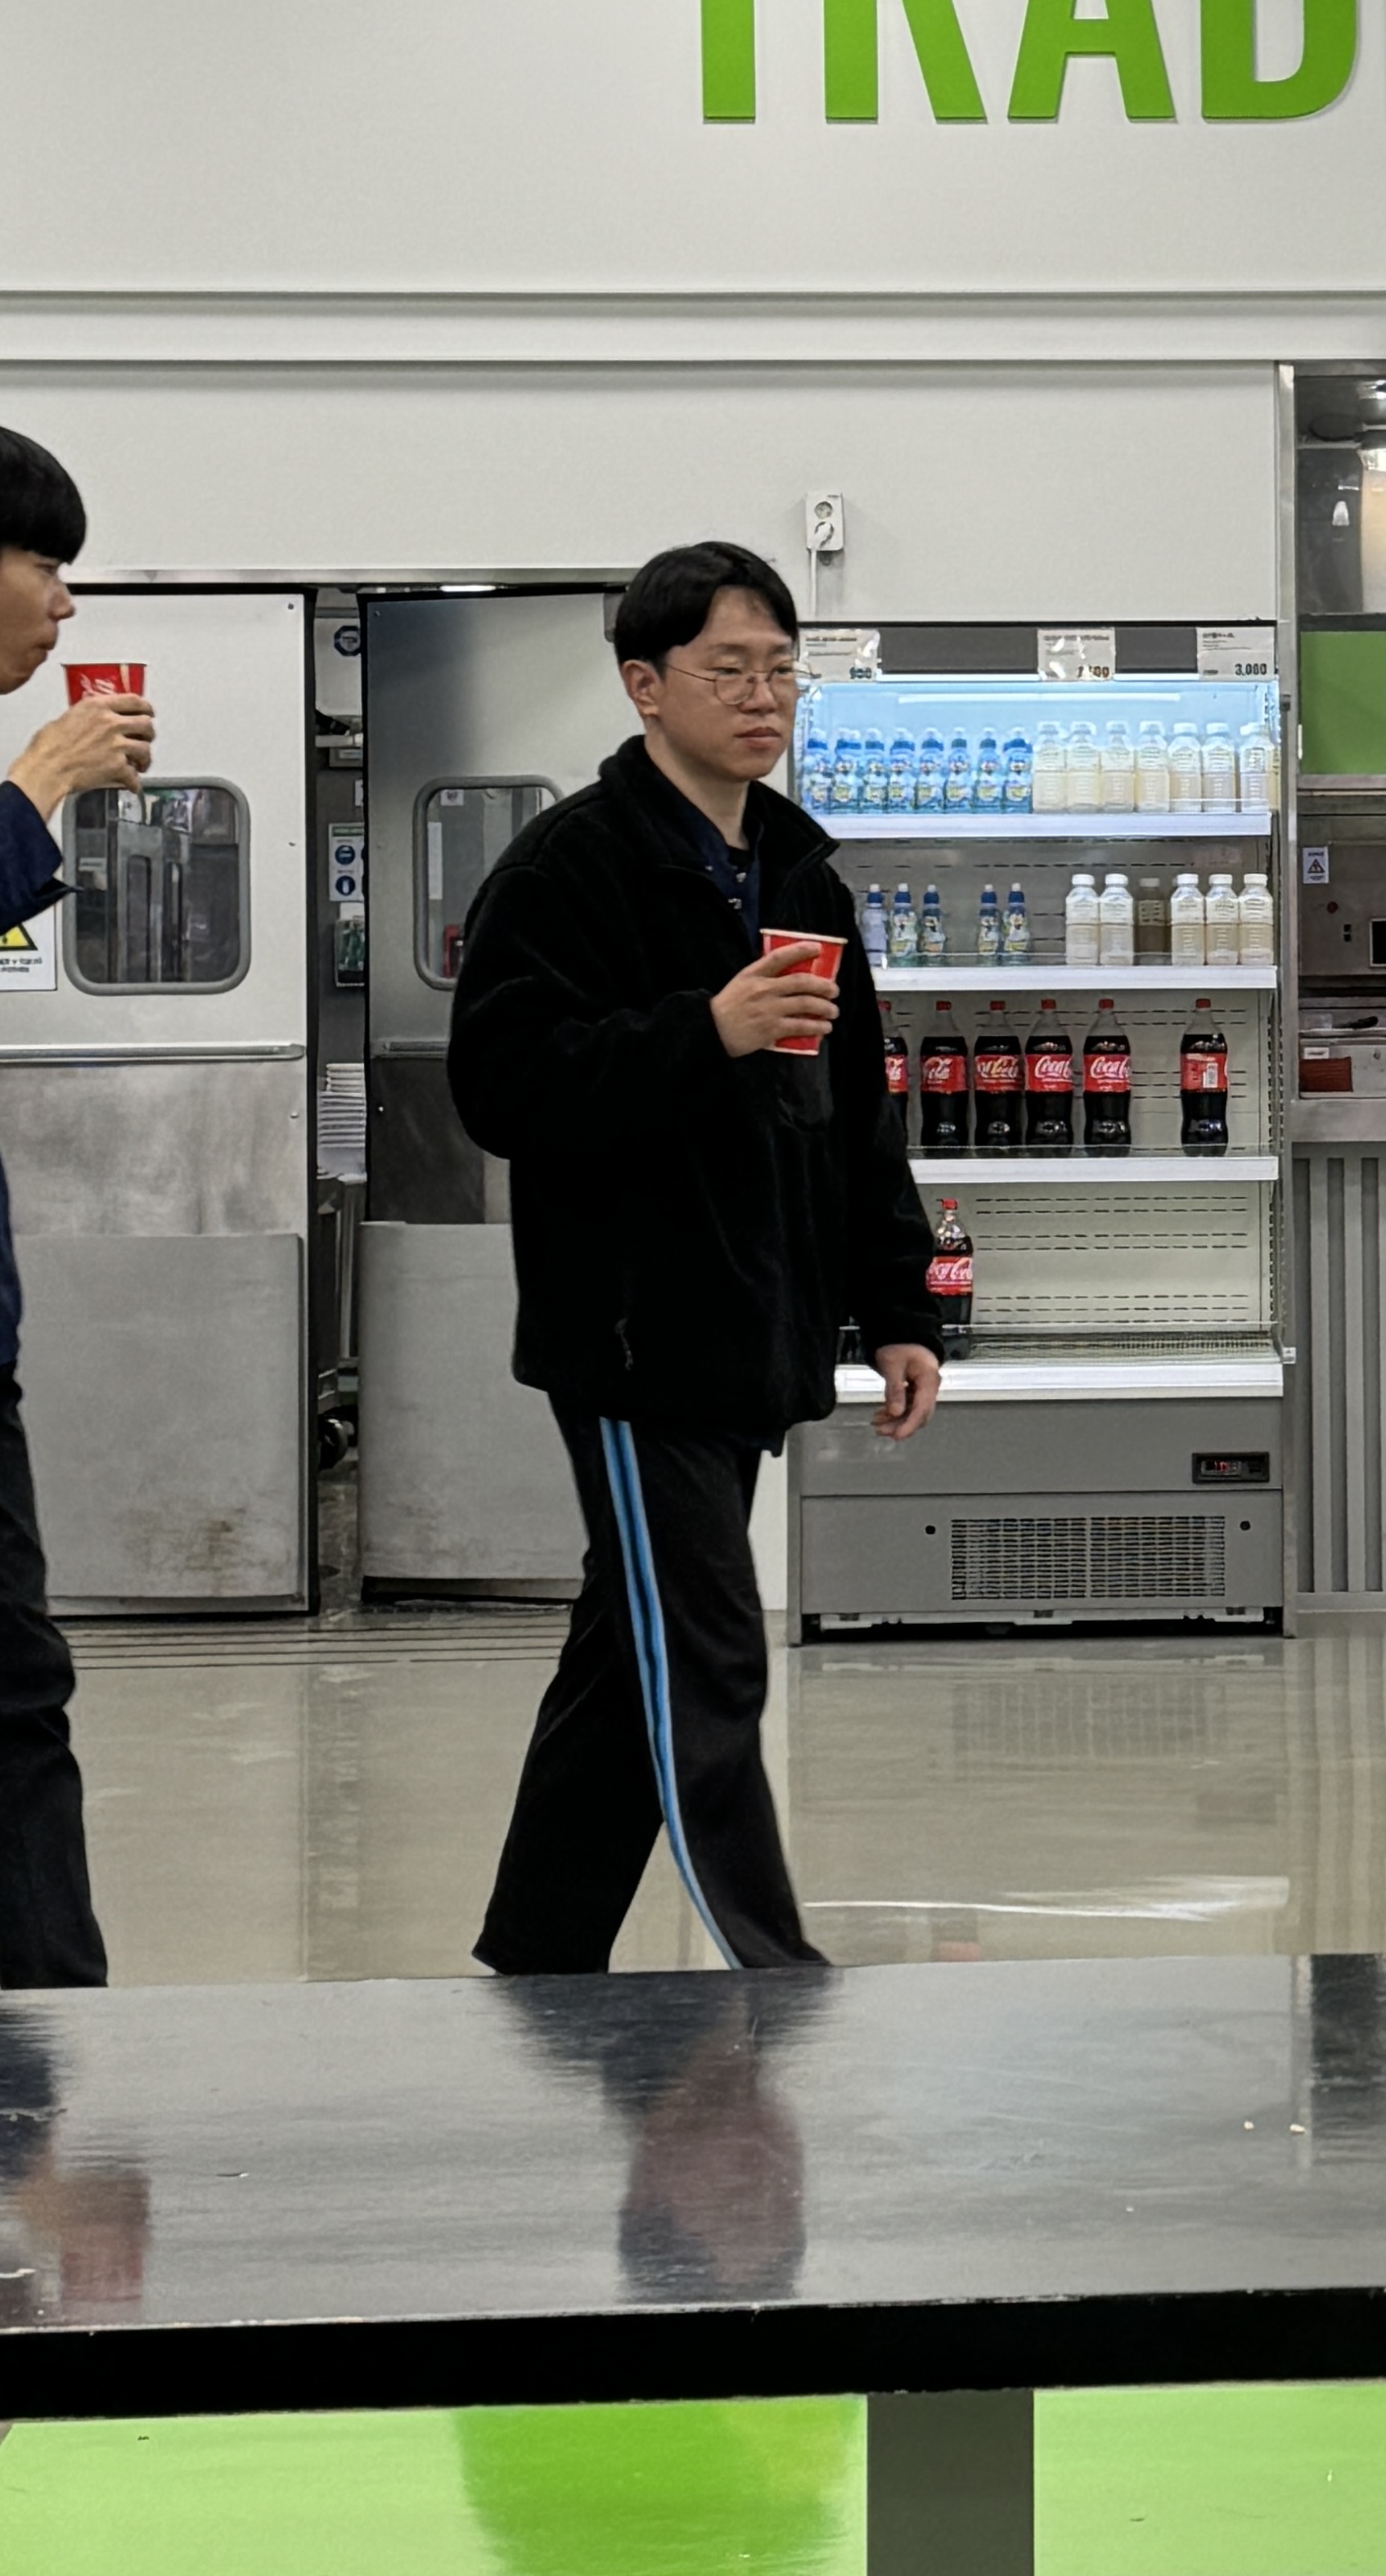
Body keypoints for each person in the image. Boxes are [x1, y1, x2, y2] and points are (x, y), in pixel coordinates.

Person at [452, 542, 939, 1975]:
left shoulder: (797, 870)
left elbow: (852, 1111)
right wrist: (699, 1031)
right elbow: (501, 1084)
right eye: (728, 668)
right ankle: (772, 1970)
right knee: (709, 1647)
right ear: (644, 685)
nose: (761, 694)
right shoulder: (570, 867)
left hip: (753, 1325)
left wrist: (896, 1301)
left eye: (781, 668)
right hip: (636, 1341)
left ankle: (537, 1953)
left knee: (633, 1651)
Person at [0, 421, 155, 1988]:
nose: (63, 604)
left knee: (13, 1681)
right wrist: (44, 778)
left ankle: (70, 2028)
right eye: (45, 568)